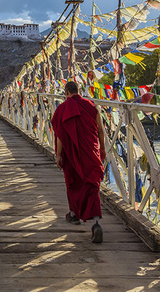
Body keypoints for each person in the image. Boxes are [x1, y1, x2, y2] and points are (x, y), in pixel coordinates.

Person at [51, 81, 107, 243]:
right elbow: (101, 131)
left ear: (66, 92)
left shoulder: (61, 109)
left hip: (70, 153)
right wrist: (102, 148)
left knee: (73, 183)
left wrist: (59, 154)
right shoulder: (91, 106)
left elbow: (60, 135)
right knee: (92, 185)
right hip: (91, 151)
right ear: (78, 91)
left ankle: (74, 214)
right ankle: (96, 223)